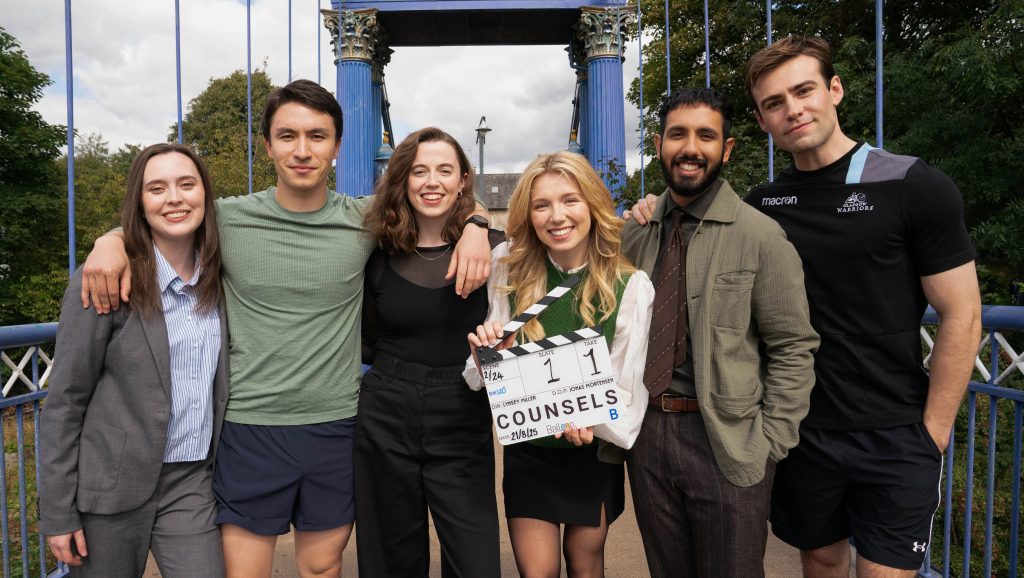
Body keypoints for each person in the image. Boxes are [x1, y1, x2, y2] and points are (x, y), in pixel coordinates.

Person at [77, 80, 493, 578]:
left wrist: (477, 226)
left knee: (321, 567)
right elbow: (164, 217)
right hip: (249, 426)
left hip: (336, 426)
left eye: (317, 136)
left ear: (337, 147)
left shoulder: (367, 220)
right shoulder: (226, 219)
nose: (302, 150)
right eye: (288, 136)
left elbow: (439, 198)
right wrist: (111, 241)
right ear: (268, 145)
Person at [743, 36, 982, 577]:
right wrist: (651, 208)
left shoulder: (912, 184)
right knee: (821, 561)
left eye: (804, 91)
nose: (792, 110)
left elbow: (962, 313)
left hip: (897, 431)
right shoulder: (762, 207)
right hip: (803, 430)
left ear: (835, 90)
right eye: (774, 103)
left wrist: (934, 432)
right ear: (762, 120)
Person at [618, 87, 819, 578]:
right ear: (658, 145)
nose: (690, 148)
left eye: (706, 136)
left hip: (729, 439)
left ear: (726, 149)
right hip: (648, 435)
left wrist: (770, 442)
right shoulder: (636, 233)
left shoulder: (760, 236)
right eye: (677, 134)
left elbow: (793, 346)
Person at [40, 143, 228, 577]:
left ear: (205, 193)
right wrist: (57, 511)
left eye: (187, 184)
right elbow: (66, 400)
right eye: (156, 188)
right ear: (139, 202)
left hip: (191, 482)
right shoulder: (103, 281)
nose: (174, 198)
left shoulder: (220, 278)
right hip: (110, 485)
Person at [467, 151, 654, 578]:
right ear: (528, 214)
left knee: (586, 567)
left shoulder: (631, 286)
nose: (557, 216)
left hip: (593, 453)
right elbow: (489, 376)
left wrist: (594, 420)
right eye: (542, 205)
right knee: (539, 571)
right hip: (530, 451)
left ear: (592, 204)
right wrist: (486, 357)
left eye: (570, 200)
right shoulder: (507, 267)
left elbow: (628, 390)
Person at [357, 127, 503, 577]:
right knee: (390, 560)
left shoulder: (497, 251)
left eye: (444, 170)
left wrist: (479, 225)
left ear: (463, 180)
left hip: (462, 410)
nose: (432, 181)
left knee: (475, 562)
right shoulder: (375, 252)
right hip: (385, 411)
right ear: (403, 179)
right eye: (419, 171)